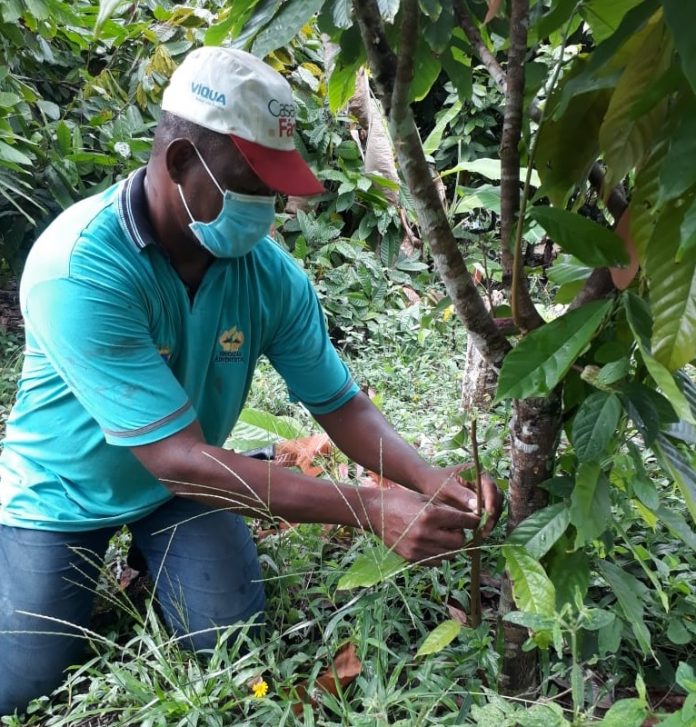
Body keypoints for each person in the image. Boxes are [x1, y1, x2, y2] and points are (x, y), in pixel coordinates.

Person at [0, 46, 502, 715]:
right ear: (181, 161)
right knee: (23, 682)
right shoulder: (81, 268)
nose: (271, 210)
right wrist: (368, 508)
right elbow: (177, 459)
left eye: (277, 191)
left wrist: (428, 478)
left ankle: (159, 552)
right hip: (62, 492)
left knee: (228, 636)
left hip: (179, 488)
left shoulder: (268, 276)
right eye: (252, 185)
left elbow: (340, 402)